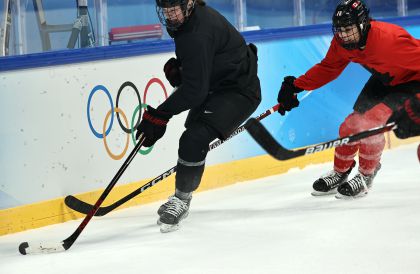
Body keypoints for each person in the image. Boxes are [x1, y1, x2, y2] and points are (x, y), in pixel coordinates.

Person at [135, 0, 261, 232]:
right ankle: (181, 196)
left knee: (193, 138)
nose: (170, 15)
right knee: (192, 135)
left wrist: (159, 115)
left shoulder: (197, 32)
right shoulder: (189, 21)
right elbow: (207, 65)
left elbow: (194, 92)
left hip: (239, 91)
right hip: (219, 85)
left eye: (174, 9)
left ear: (189, 4)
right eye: (165, 10)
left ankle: (181, 200)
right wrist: (185, 71)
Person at [276, 0, 420, 199]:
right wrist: (297, 86)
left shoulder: (389, 39)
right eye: (339, 30)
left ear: (362, 24)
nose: (343, 35)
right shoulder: (342, 43)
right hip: (386, 79)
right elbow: (328, 68)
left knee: (371, 123)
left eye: (348, 29)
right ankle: (340, 172)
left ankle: (366, 176)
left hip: (413, 83)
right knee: (351, 125)